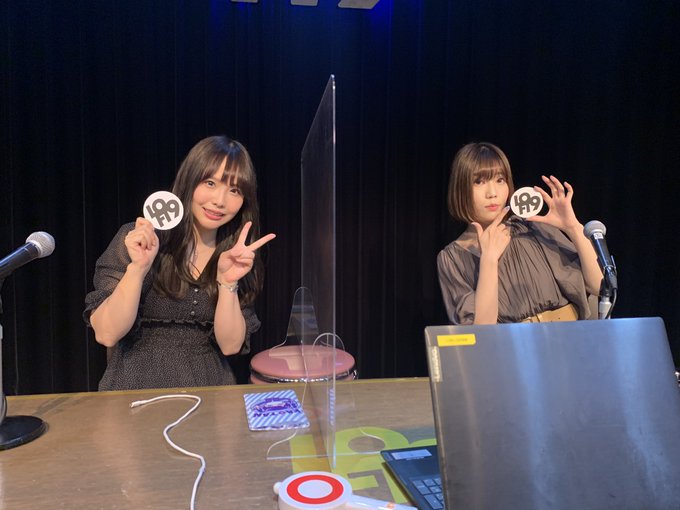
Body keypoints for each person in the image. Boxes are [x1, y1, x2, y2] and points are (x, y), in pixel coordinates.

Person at [84, 135, 276, 390]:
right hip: (135, 390)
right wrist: (138, 268)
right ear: (189, 180)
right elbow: (106, 333)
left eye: (234, 190)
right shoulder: (139, 239)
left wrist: (227, 283)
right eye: (210, 182)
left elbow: (230, 346)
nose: (220, 200)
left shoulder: (236, 256)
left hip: (209, 392)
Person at [437, 142, 602, 325]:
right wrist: (489, 260)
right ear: (460, 189)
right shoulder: (452, 258)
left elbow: (599, 286)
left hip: (568, 335)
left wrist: (573, 227)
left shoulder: (531, 228)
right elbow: (482, 330)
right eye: (479, 182)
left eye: (500, 180)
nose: (492, 193)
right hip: (511, 341)